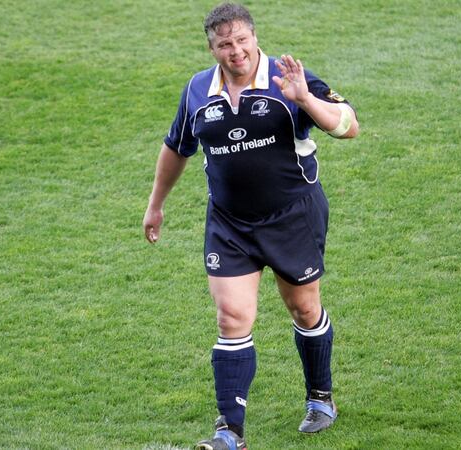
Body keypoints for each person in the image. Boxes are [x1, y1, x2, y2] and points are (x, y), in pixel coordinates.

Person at [142, 3, 359, 449]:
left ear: (255, 38)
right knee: (232, 318)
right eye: (225, 44)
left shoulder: (288, 77)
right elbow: (177, 147)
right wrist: (155, 205)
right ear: (212, 49)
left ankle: (320, 397)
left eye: (242, 40)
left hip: (293, 217)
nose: (235, 50)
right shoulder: (198, 90)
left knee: (304, 310)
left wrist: (305, 99)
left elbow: (348, 126)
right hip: (230, 223)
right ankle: (230, 432)